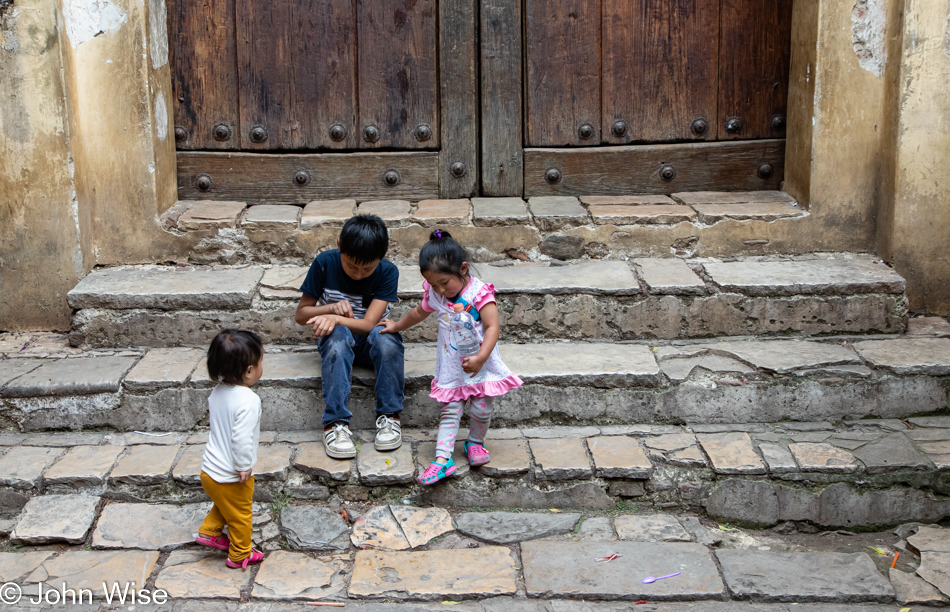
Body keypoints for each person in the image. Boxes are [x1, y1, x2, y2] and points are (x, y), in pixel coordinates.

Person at [381, 229, 523, 485]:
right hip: (451, 365)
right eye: (433, 284)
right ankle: (442, 459)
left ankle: (475, 443)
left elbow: (492, 327)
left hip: (479, 362)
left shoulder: (480, 293)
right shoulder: (435, 294)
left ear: (463, 269)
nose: (439, 289)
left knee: (481, 407)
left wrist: (481, 358)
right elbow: (418, 312)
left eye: (444, 282)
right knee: (451, 410)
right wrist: (397, 326)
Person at [295, 214, 404, 459]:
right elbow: (301, 315)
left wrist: (336, 318)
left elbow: (367, 325)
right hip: (338, 342)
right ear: (339, 246)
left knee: (386, 335)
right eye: (351, 266)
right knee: (338, 335)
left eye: (367, 268)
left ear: (381, 259)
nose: (357, 274)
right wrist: (330, 310)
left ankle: (389, 416)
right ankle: (336, 423)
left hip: (369, 343)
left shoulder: (388, 272)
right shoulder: (324, 263)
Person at [195, 329, 265, 569]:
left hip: (209, 471)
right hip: (231, 475)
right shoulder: (249, 400)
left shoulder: (217, 392)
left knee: (225, 504)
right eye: (260, 363)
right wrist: (244, 466)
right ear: (248, 371)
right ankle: (240, 553)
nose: (260, 367)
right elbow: (241, 438)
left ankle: (209, 531)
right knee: (240, 514)